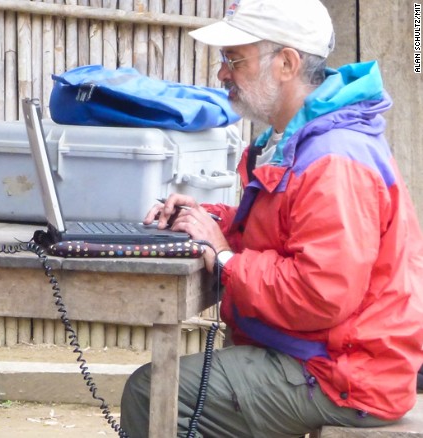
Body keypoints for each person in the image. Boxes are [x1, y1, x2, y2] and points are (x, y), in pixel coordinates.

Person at [121, 0, 423, 437]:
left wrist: (225, 259)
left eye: (234, 59)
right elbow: (286, 232)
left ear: (286, 63)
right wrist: (207, 219)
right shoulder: (299, 139)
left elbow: (320, 292)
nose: (222, 73)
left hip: (342, 375)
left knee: (150, 391)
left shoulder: (333, 158)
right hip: (327, 356)